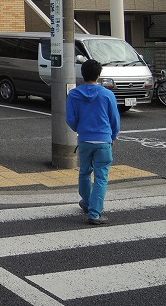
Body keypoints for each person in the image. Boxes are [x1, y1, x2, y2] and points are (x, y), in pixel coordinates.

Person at [66, 59, 120, 225]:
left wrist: (80, 129)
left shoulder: (74, 94)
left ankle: (87, 203)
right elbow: (115, 120)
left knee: (84, 172)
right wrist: (113, 136)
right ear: (98, 74)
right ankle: (95, 213)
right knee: (101, 177)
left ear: (82, 74)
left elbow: (70, 119)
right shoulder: (107, 94)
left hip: (84, 140)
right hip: (103, 139)